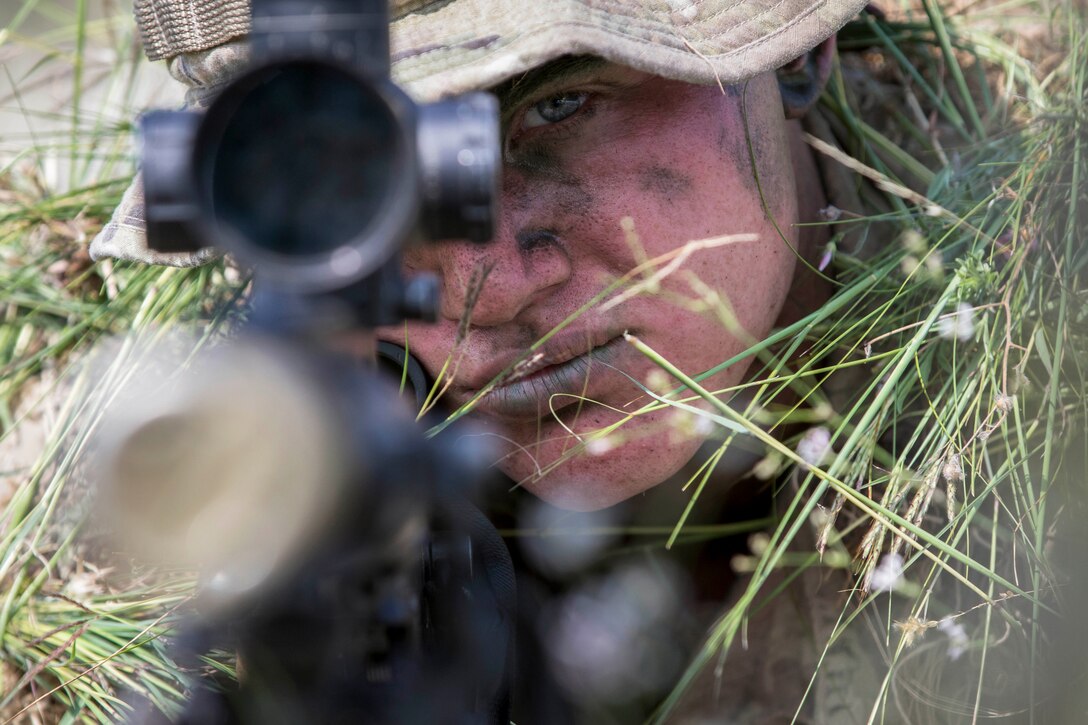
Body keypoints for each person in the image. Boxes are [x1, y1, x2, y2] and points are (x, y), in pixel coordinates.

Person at [88, 0, 1086, 722]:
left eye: (557, 108)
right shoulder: (232, 478)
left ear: (793, 44)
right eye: (357, 185)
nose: (486, 283)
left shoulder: (1051, 367)